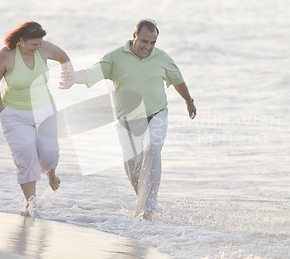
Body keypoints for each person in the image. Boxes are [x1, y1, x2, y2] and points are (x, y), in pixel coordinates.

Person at [60, 19, 196, 220]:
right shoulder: (115, 57)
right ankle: (143, 204)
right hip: (128, 122)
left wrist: (189, 101)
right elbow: (92, 73)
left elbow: (178, 80)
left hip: (157, 113)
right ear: (134, 37)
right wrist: (72, 78)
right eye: (144, 41)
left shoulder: (162, 58)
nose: (148, 47)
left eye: (152, 43)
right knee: (134, 171)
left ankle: (148, 210)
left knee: (152, 149)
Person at [0, 21, 73, 215]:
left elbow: (63, 57)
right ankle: (30, 204)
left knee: (49, 155)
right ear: (21, 41)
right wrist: (2, 111)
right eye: (34, 44)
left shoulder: (44, 48)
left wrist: (68, 77)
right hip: (15, 115)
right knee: (26, 158)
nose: (38, 47)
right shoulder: (6, 55)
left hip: (44, 110)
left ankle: (51, 173)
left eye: (40, 43)